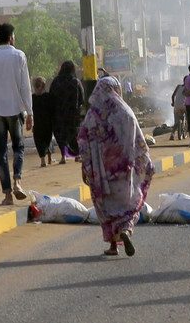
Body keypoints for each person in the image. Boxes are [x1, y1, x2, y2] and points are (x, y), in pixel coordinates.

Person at [78, 76, 155, 256]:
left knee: (106, 207)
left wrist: (86, 166)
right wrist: (144, 163)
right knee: (127, 205)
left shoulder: (93, 115)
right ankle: (126, 231)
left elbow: (82, 141)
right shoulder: (126, 113)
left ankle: (113, 246)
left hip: (101, 173)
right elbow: (140, 143)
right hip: (124, 173)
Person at [0, 23, 34, 206]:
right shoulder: (19, 55)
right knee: (18, 147)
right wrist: (30, 111)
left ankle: (8, 194)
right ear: (11, 37)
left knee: (0, 153)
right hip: (16, 109)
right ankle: (17, 181)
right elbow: (25, 86)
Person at [50, 61, 85, 164]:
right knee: (74, 134)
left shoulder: (56, 82)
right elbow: (82, 97)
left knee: (61, 135)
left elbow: (51, 97)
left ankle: (63, 156)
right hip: (73, 114)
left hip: (59, 114)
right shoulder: (76, 82)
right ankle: (77, 156)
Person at [32, 77, 56, 166]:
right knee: (48, 139)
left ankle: (43, 160)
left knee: (39, 141)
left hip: (38, 124)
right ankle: (49, 158)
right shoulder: (49, 96)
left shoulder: (32, 98)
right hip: (48, 123)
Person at [169, 77, 187, 141]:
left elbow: (173, 96)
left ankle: (172, 134)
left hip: (176, 107)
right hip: (184, 107)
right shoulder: (189, 88)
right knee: (187, 117)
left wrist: (173, 103)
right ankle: (186, 128)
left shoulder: (178, 86)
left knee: (176, 121)